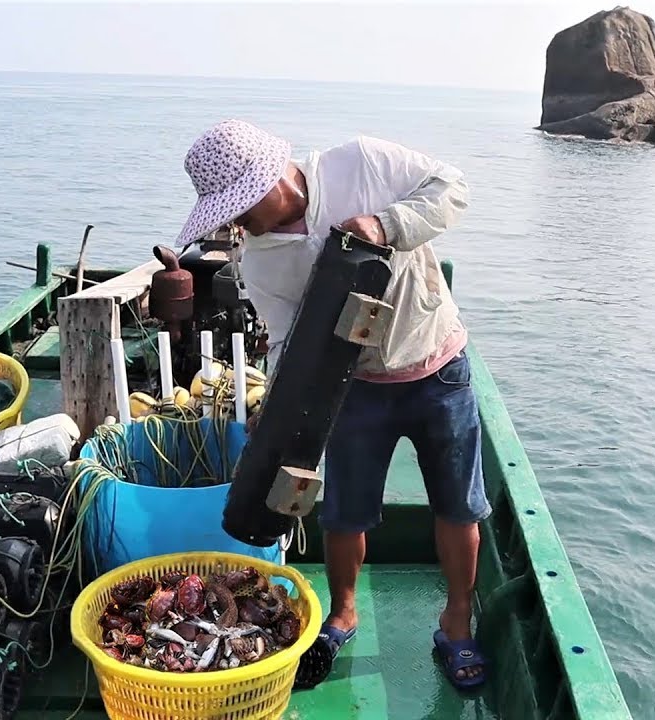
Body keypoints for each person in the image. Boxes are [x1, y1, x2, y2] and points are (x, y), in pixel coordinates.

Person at [174, 119, 490, 690]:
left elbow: (453, 187)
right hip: (355, 390)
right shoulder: (261, 259)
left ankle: (458, 621)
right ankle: (344, 611)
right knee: (344, 512)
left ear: (270, 182)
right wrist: (284, 430)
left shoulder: (362, 164)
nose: (236, 223)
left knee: (458, 506)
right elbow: (291, 347)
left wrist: (387, 224)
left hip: (438, 365)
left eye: (240, 207)